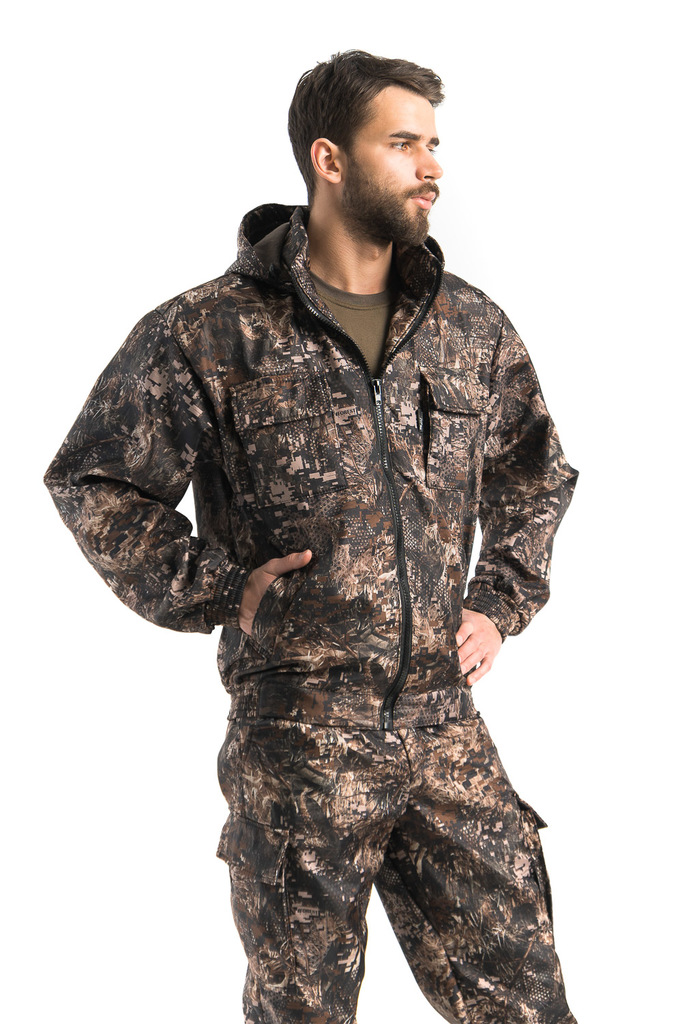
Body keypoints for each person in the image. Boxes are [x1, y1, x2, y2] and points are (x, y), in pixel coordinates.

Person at [44, 50, 579, 1024]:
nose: (431, 166)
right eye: (403, 143)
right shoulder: (214, 330)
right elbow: (96, 478)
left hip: (443, 727)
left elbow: (535, 469)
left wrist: (499, 600)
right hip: (298, 738)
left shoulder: (467, 328)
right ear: (329, 160)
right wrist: (218, 588)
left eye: (434, 143)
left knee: (526, 1000)